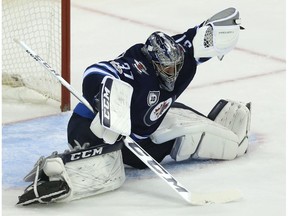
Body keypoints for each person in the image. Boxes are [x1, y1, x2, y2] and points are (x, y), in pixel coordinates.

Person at [17, 7, 251, 205]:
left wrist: (219, 30)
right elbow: (95, 72)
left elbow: (197, 39)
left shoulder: (179, 57)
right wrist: (107, 104)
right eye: (167, 70)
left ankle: (228, 137)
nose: (174, 74)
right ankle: (58, 175)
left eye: (175, 68)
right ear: (154, 63)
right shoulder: (136, 67)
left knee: (179, 137)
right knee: (109, 169)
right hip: (90, 126)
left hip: (139, 137)